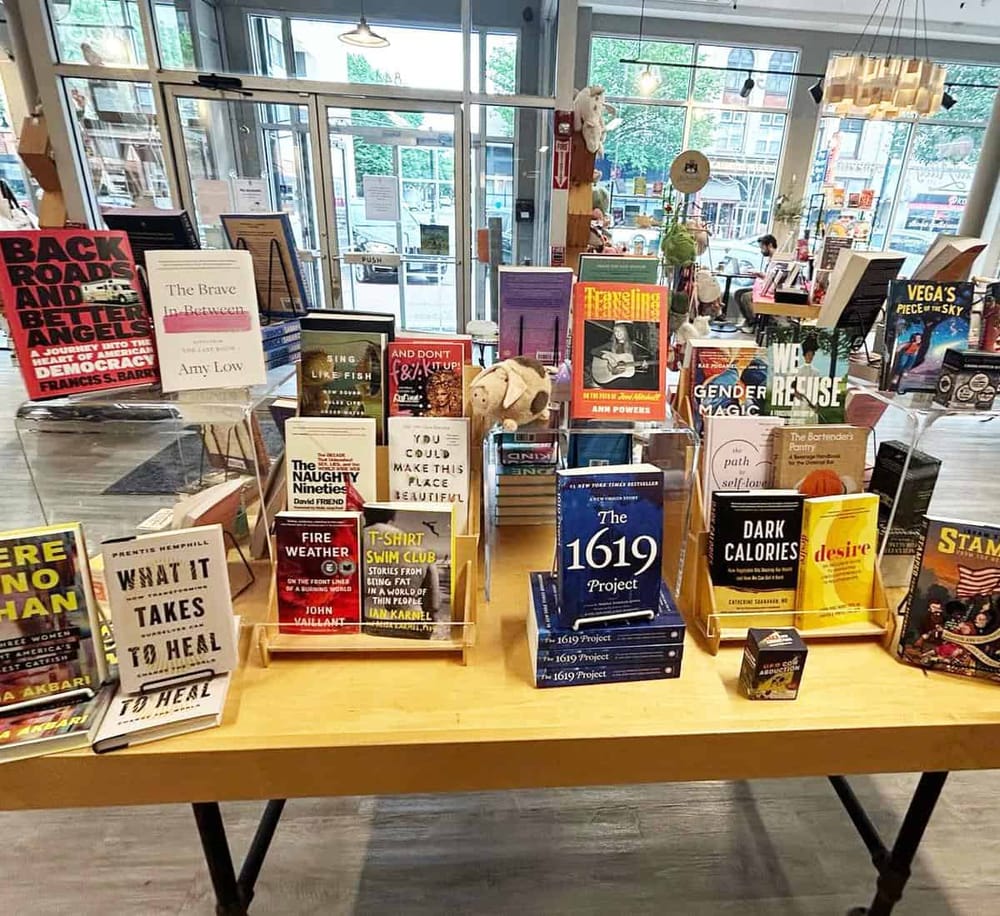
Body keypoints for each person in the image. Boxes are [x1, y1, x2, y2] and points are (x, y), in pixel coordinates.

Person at [734, 234, 779, 332]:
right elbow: (768, 276)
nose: (761, 251)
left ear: (770, 245)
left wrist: (760, 274)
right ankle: (748, 320)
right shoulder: (771, 259)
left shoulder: (778, 259)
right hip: (765, 286)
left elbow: (774, 280)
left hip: (771, 291)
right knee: (738, 293)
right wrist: (758, 274)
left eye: (762, 248)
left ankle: (753, 324)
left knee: (746, 297)